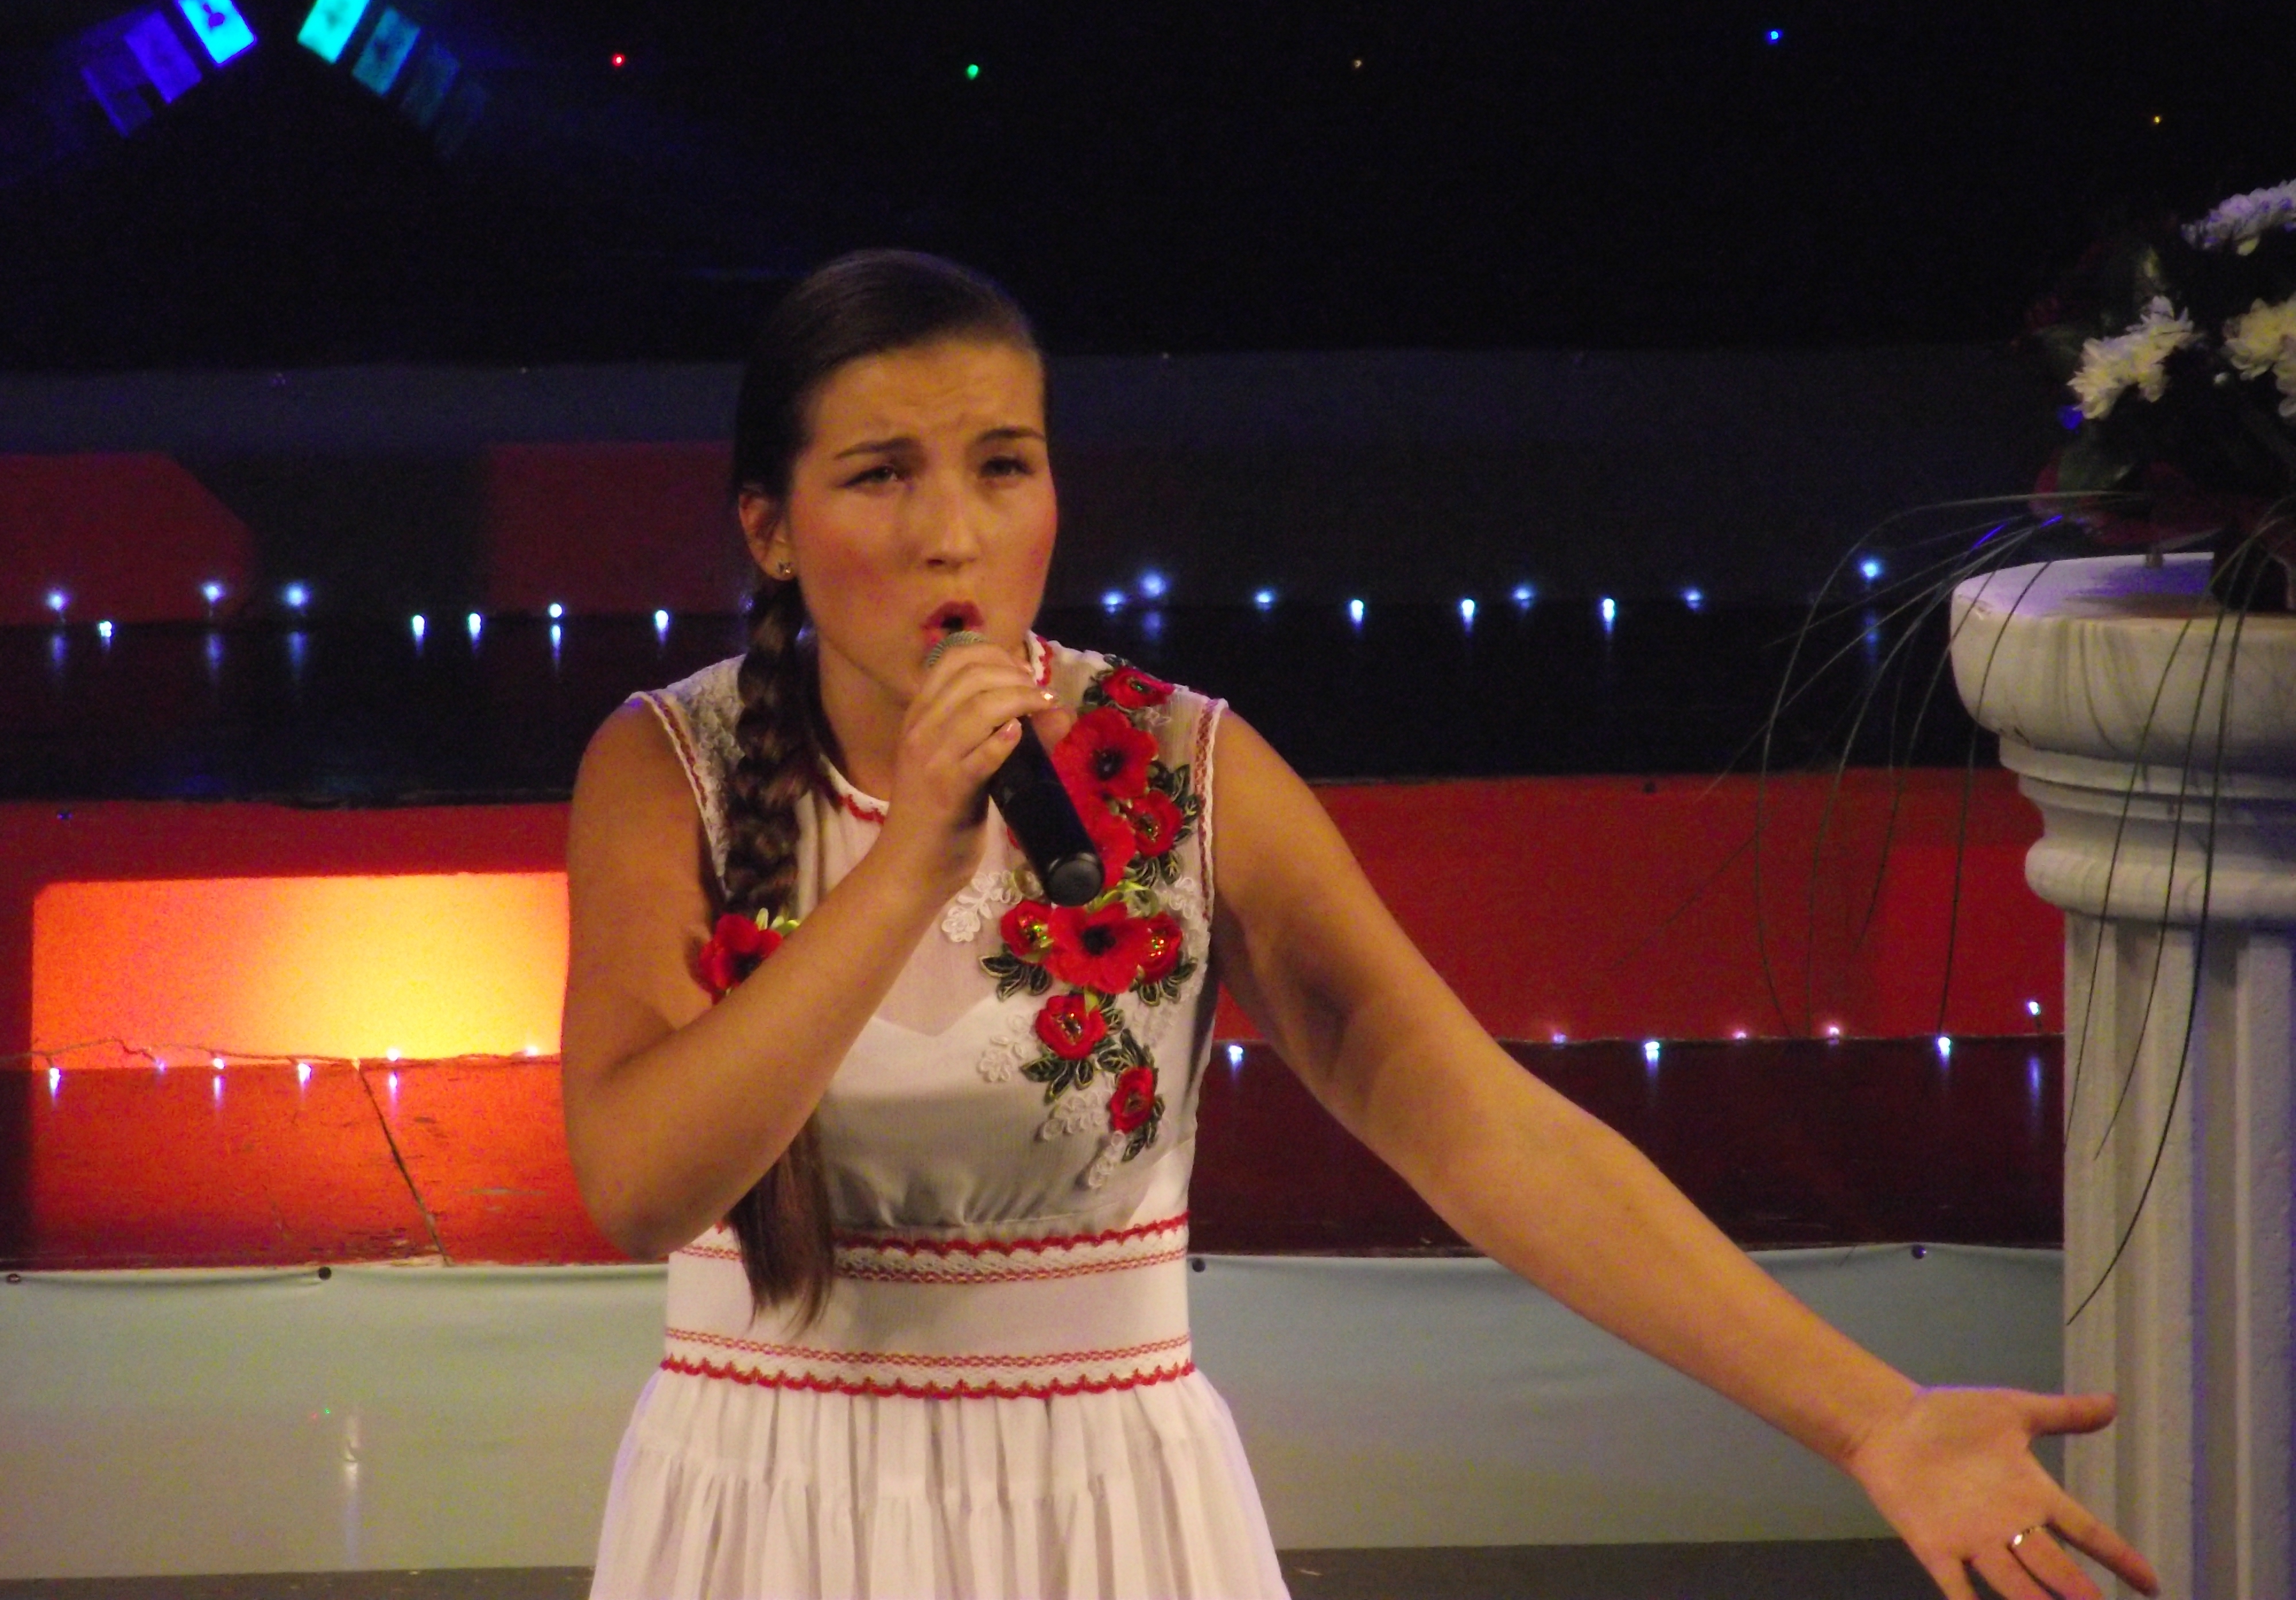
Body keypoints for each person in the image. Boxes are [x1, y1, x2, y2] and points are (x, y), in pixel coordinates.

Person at [560, 249, 2158, 1600]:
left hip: (1101, 1512)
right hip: (763, 1507)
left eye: (1003, 464)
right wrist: (913, 861)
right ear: (770, 528)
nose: (952, 533)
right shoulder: (666, 768)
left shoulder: (1180, 768)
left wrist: (1875, 1420)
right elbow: (639, 1185)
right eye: (880, 475)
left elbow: (1479, 1126)